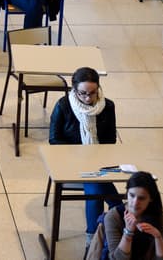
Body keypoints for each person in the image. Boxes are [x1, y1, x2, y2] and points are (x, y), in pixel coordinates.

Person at [49, 67, 120, 249]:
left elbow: (110, 139)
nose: (88, 98)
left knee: (98, 184)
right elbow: (54, 139)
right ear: (74, 90)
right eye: (83, 94)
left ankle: (105, 229)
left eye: (92, 93)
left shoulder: (108, 106)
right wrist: (80, 154)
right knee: (95, 187)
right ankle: (101, 232)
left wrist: (95, 157)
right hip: (70, 160)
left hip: (99, 160)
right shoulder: (63, 105)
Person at [102, 172, 163, 260]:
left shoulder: (162, 217)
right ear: (127, 193)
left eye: (141, 198)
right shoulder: (113, 217)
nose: (135, 202)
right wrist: (128, 233)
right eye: (131, 195)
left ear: (151, 198)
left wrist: (158, 237)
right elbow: (117, 259)